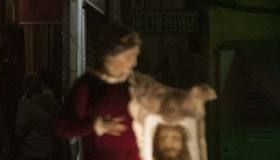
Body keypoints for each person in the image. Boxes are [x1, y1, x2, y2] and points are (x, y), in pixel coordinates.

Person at [55, 23, 216, 160]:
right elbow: (64, 128)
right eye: (128, 56)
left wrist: (191, 97)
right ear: (110, 55)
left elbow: (165, 98)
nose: (134, 62)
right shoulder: (88, 86)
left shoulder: (138, 83)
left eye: (136, 56)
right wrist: (95, 125)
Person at [15, 74, 57, 160]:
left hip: (31, 152)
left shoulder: (29, 107)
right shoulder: (50, 102)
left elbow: (19, 131)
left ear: (27, 89)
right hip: (48, 151)